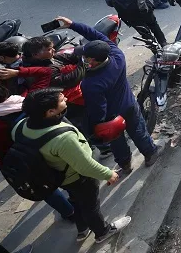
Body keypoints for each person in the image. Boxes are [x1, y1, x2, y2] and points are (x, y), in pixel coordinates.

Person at [14, 88, 130, 243]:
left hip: (58, 177)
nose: (66, 100)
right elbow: (85, 166)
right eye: (62, 100)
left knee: (75, 200)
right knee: (90, 206)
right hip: (78, 177)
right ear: (50, 112)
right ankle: (102, 232)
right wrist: (108, 174)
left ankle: (82, 229)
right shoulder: (63, 139)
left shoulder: (20, 127)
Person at [61, 16, 160, 172]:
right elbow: (96, 35)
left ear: (93, 61)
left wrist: (95, 125)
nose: (83, 58)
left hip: (111, 117)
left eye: (85, 56)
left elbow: (98, 109)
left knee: (116, 142)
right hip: (129, 104)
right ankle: (150, 153)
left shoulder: (91, 84)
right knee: (139, 131)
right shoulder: (116, 54)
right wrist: (73, 24)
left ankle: (125, 165)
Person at [0, 83, 76, 222]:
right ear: (5, 93)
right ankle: (76, 200)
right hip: (45, 147)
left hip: (22, 160)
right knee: (66, 176)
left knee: (44, 188)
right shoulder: (25, 103)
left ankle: (69, 212)